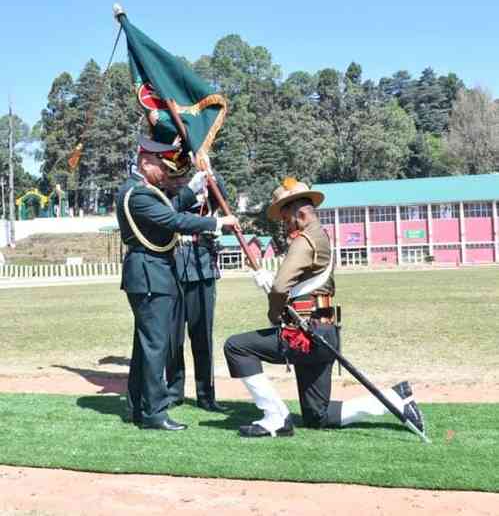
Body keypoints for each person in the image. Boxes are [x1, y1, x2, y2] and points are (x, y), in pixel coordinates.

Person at [224, 178, 425, 438]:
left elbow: (280, 288)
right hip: (325, 333)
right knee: (317, 415)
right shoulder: (321, 236)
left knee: (236, 346)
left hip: (304, 336)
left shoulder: (304, 241)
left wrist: (274, 314)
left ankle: (275, 417)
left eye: (287, 219)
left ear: (302, 212)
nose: (285, 225)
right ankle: (395, 399)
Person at [116, 136, 238, 431]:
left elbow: (169, 209)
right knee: (156, 346)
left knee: (145, 346)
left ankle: (138, 407)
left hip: (151, 273)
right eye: (160, 165)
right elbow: (173, 221)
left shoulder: (141, 189)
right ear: (145, 162)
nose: (166, 171)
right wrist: (216, 223)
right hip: (150, 274)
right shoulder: (139, 193)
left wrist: (191, 191)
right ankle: (155, 413)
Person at [163, 169, 228, 413]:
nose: (179, 176)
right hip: (174, 266)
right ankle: (174, 391)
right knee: (173, 337)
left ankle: (206, 394)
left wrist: (210, 174)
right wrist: (188, 188)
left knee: (202, 336)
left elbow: (221, 195)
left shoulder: (205, 187)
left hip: (202, 266)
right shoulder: (166, 191)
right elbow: (169, 212)